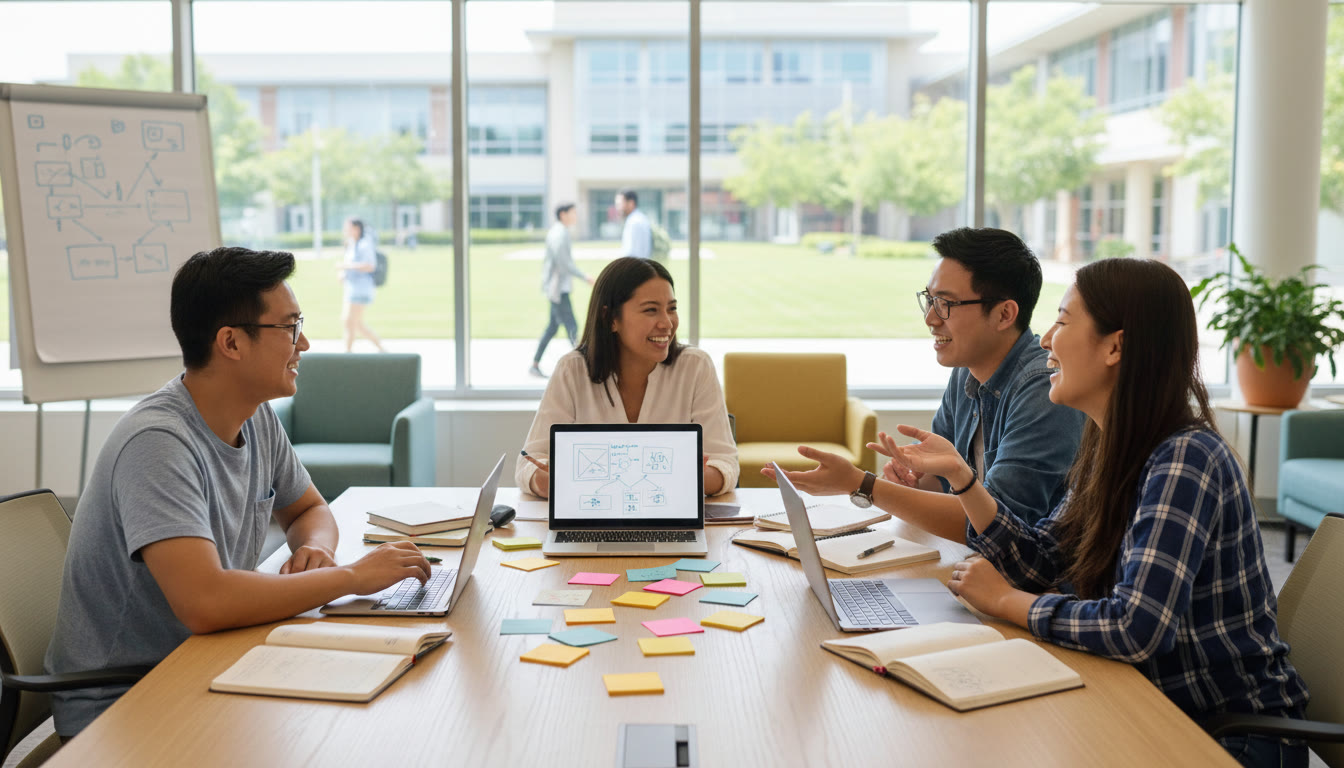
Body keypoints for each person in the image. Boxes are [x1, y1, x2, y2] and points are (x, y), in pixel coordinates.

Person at [883, 258, 1309, 768]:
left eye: (1062, 321)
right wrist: (965, 481)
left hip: (1229, 741)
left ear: (1115, 346)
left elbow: (1135, 627)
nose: (1045, 341)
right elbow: (1046, 559)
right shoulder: (1109, 448)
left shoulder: (1186, 458)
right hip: (1151, 706)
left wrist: (1006, 602)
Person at [44, 247, 432, 739]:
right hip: (128, 704)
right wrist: (350, 577)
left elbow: (310, 508)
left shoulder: (255, 415)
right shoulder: (158, 444)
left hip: (209, 660)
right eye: (289, 328)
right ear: (231, 342)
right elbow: (205, 602)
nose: (305, 343)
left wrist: (317, 548)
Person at [764, 227, 1086, 541]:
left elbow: (995, 527)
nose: (931, 318)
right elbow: (944, 485)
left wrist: (863, 485)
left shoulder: (1043, 390)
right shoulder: (967, 371)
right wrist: (914, 486)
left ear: (1004, 314)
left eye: (946, 303)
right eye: (929, 299)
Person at [516, 256, 737, 497]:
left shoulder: (696, 367)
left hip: (669, 518)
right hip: (593, 518)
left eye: (671, 309)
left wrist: (690, 478)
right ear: (610, 318)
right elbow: (529, 464)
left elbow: (725, 464)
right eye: (651, 310)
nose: (667, 323)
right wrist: (548, 481)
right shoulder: (572, 370)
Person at [530, 202, 593, 378]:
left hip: (557, 288)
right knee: (572, 325)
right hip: (558, 289)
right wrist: (584, 276)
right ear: (563, 214)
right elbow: (563, 263)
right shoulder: (560, 233)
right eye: (573, 213)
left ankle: (535, 364)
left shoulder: (559, 232)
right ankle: (584, 368)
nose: (575, 216)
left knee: (552, 327)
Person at [336, 217, 386, 353]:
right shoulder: (352, 244)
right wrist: (343, 273)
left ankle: (348, 352)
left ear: (357, 229)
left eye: (348, 228)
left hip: (361, 289)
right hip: (352, 288)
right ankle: (380, 349)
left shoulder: (364, 244)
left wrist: (346, 266)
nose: (345, 231)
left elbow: (370, 266)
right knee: (355, 324)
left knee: (349, 321)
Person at [615, 188, 652, 261]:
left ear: (631, 203)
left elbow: (630, 253)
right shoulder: (639, 218)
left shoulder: (634, 222)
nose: (618, 208)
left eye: (620, 204)